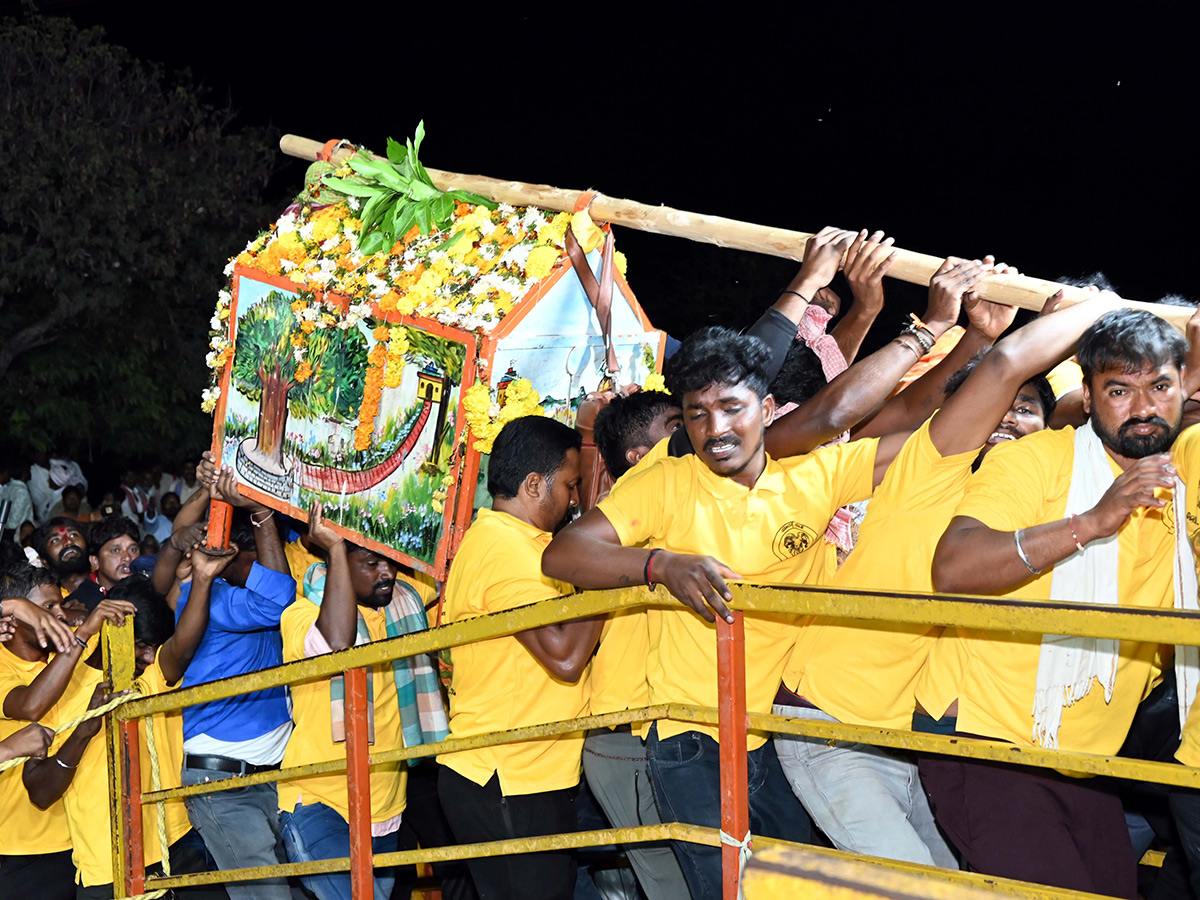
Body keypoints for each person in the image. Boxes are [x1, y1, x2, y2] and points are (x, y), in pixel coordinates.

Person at [543, 326, 893, 900]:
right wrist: (662, 566)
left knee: (794, 888)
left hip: (771, 733)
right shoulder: (667, 480)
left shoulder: (811, 477)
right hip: (684, 741)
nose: (716, 429)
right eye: (696, 415)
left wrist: (951, 335)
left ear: (769, 409)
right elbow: (566, 553)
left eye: (732, 407)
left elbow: (890, 425)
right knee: (721, 890)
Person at [773, 293, 1124, 867]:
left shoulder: (1032, 502)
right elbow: (1003, 367)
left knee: (955, 881)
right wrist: (1089, 310)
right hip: (830, 723)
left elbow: (1090, 416)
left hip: (917, 738)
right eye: (997, 406)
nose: (1010, 417)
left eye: (1026, 409)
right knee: (919, 887)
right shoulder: (932, 468)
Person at [919, 308, 1191, 897]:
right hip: (987, 737)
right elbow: (954, 566)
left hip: (1087, 757)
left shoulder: (1182, 475)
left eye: (1160, 386)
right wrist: (1092, 522)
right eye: (1119, 389)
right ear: (1088, 396)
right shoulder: (1036, 460)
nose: (1142, 407)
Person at [438, 416, 600, 900]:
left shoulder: (516, 543)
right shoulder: (504, 550)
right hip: (506, 777)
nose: (574, 500)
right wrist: (607, 568)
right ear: (534, 484)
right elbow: (565, 656)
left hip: (526, 774)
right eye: (570, 486)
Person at [278, 502, 447, 900]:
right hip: (318, 807)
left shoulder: (401, 604)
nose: (387, 572)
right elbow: (338, 643)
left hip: (385, 814)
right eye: (371, 563)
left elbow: (445, 557)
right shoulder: (300, 615)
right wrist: (335, 547)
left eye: (388, 562)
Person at [22, 575, 226, 900]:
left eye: (154, 647)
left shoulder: (154, 674)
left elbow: (183, 647)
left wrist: (201, 578)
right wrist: (84, 731)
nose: (148, 657)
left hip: (178, 845)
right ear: (109, 630)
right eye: (142, 644)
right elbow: (40, 793)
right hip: (107, 867)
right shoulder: (63, 686)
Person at [174, 465, 297, 900]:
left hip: (280, 777)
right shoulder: (207, 599)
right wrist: (262, 516)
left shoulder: (250, 594)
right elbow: (276, 598)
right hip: (226, 787)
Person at [0, 564, 133, 900]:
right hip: (17, 849)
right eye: (47, 609)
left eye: (60, 605)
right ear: (13, 621)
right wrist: (83, 634)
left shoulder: (60, 660)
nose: (60, 615)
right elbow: (31, 705)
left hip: (74, 845)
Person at [65, 516, 140, 612]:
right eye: (116, 550)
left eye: (133, 550)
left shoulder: (150, 590)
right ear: (95, 561)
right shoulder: (79, 605)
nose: (127, 557)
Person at [33, 517, 93, 596]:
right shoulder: (49, 598)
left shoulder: (107, 577)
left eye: (73, 535)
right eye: (55, 540)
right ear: (44, 561)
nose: (68, 542)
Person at [0, 459, 35, 544]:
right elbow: (13, 523)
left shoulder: (8, 487)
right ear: (24, 473)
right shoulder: (21, 491)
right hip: (17, 537)